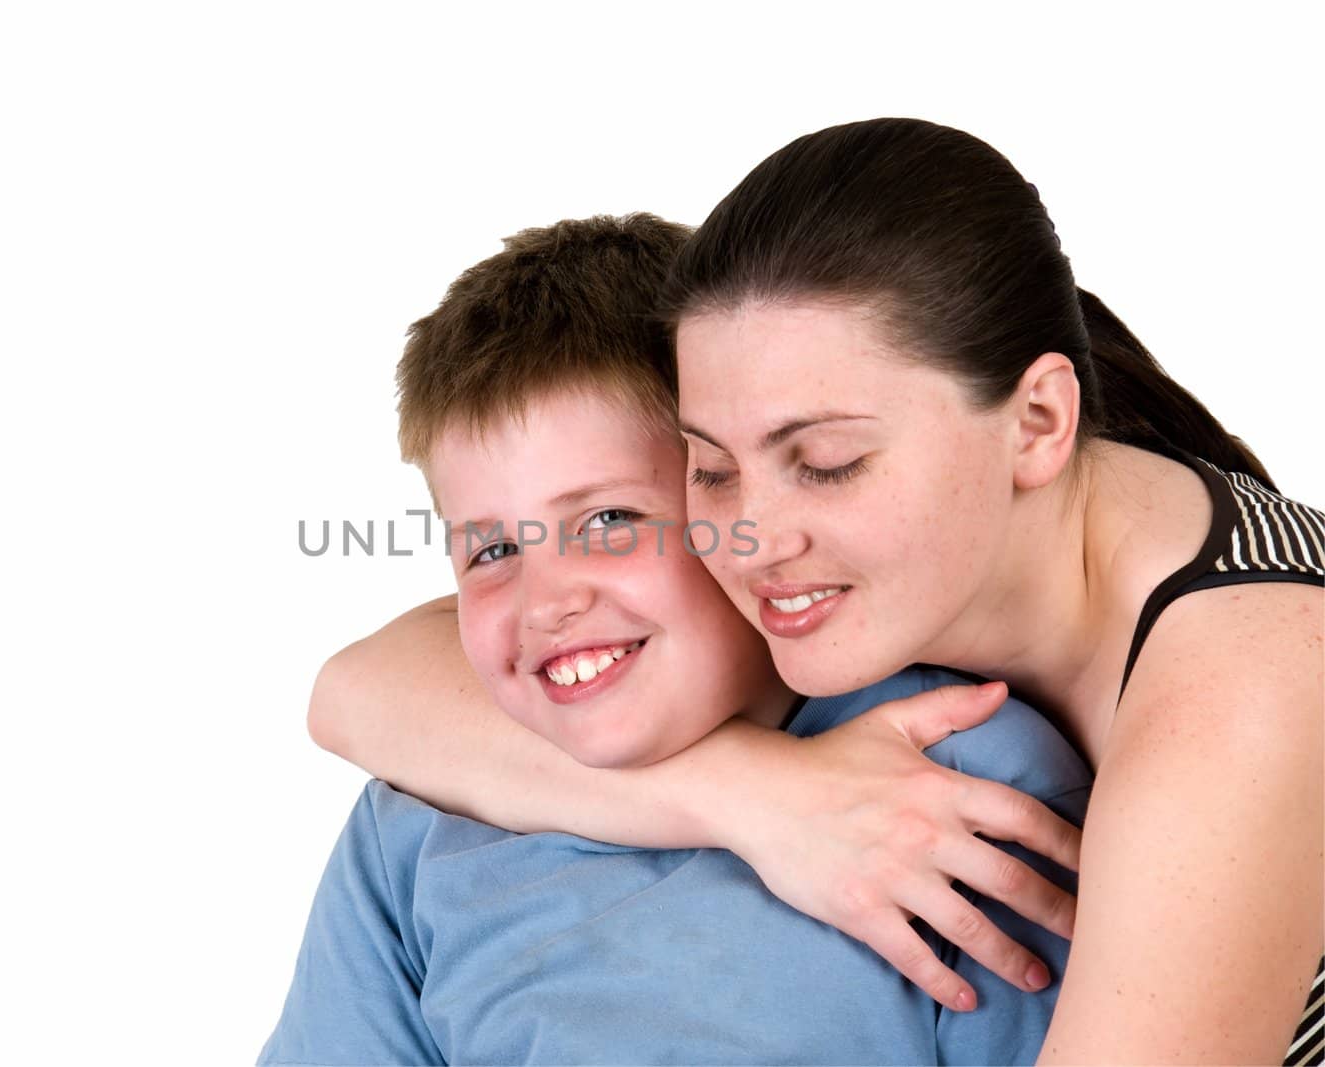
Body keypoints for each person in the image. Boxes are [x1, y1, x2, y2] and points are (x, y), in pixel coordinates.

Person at [310, 123, 1325, 1065]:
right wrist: (758, 795)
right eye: (709, 468)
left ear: (1037, 421)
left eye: (827, 460)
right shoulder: (938, 567)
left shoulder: (1244, 696)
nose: (754, 537)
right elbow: (358, 691)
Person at [262, 215, 1092, 1065]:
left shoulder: (962, 786)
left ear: (730, 495)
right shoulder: (419, 821)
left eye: (610, 519)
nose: (547, 601)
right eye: (494, 549)